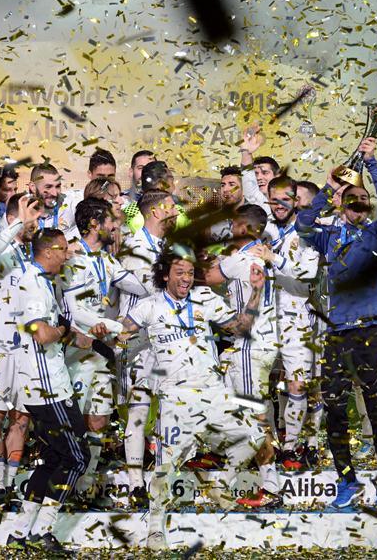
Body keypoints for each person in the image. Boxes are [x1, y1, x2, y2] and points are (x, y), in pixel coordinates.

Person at [117, 247, 269, 549]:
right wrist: (106, 331)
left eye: (189, 272)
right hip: (175, 398)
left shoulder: (206, 300)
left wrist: (255, 292)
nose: (186, 278)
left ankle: (220, 482)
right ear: (165, 275)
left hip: (213, 391)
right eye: (179, 272)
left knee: (253, 435)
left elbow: (241, 327)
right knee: (164, 468)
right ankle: (155, 529)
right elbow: (121, 332)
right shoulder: (149, 307)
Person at [296, 137, 377, 509]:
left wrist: (372, 166)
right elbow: (303, 222)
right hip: (338, 332)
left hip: (373, 328)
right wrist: (330, 187)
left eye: (362, 201)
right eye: (351, 201)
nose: (358, 206)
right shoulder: (327, 236)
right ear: (341, 204)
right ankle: (347, 481)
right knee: (335, 409)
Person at [5, 228, 94, 554]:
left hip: (43, 384)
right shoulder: (34, 286)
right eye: (64, 250)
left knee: (53, 457)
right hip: (46, 389)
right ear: (50, 251)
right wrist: (62, 330)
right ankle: (42, 532)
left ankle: (19, 533)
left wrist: (72, 336)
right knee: (76, 458)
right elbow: (42, 333)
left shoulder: (37, 279)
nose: (68, 255)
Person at [60, 198, 148, 498]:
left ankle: (84, 489)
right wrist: (112, 326)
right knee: (75, 423)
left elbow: (143, 288)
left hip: (99, 353)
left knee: (99, 418)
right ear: (95, 224)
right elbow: (73, 310)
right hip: (73, 352)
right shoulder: (72, 258)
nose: (116, 225)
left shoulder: (108, 261)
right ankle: (65, 487)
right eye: (111, 220)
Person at [203, 204, 282, 508]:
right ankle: (239, 475)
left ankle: (271, 486)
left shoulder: (242, 260)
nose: (229, 229)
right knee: (242, 412)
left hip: (251, 347)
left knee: (255, 415)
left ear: (242, 228)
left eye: (233, 224)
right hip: (260, 345)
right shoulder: (260, 257)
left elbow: (205, 277)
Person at [251, 174, 322, 472]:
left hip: (297, 318)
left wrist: (274, 259)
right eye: (273, 199)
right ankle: (262, 447)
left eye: (284, 199)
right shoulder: (264, 228)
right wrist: (246, 159)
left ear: (295, 200)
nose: (278, 205)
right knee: (257, 387)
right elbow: (252, 196)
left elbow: (307, 273)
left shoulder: (309, 232)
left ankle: (291, 446)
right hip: (264, 318)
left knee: (297, 385)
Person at [0, 193, 42, 507]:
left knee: (22, 417)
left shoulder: (33, 251)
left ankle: (10, 482)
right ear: (16, 214)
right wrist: (17, 225)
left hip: (28, 349)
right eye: (34, 216)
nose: (37, 223)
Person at [117, 189, 179, 507]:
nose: (177, 211)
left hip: (168, 342)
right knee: (139, 411)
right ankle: (134, 485)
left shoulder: (168, 245)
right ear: (155, 212)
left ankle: (162, 481)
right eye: (171, 207)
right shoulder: (135, 245)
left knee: (169, 412)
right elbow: (155, 288)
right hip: (140, 342)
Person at [28, 163, 79, 240]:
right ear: (33, 187)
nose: (54, 193)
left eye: (58, 186)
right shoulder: (21, 213)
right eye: (48, 187)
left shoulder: (70, 204)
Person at [209, 166, 245, 241]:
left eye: (231, 185)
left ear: (243, 188)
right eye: (223, 185)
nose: (225, 189)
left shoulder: (253, 216)